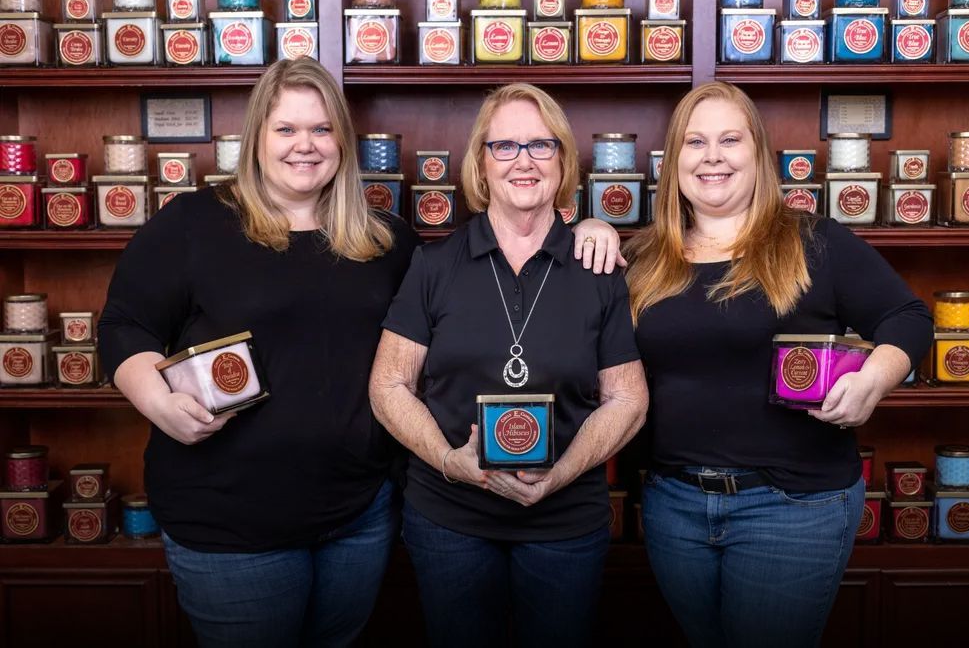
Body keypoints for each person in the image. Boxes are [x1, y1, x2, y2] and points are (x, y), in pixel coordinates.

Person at [98, 59, 621, 647]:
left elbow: (486, 293)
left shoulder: (385, 239)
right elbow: (123, 327)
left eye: (321, 130)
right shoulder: (193, 225)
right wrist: (156, 400)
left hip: (358, 517)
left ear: (342, 143)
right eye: (286, 130)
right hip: (230, 520)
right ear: (256, 140)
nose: (305, 145)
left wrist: (582, 226)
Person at [626, 82, 932, 648]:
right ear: (674, 162)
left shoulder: (813, 242)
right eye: (695, 142)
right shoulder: (644, 258)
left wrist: (876, 376)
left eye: (729, 140)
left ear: (759, 154)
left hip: (794, 505)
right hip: (674, 504)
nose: (712, 156)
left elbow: (908, 316)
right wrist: (591, 229)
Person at [369, 83, 649, 648]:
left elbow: (629, 398)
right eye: (505, 147)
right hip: (449, 518)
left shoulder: (598, 267)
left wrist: (562, 472)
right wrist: (451, 461)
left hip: (566, 523)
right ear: (481, 162)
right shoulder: (433, 264)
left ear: (564, 161)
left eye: (542, 146)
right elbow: (389, 385)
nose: (524, 160)